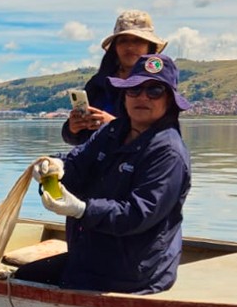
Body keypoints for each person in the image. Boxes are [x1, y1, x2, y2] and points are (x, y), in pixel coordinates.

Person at [25, 53, 191, 293]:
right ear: (124, 96)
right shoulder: (113, 130)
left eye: (154, 91)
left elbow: (138, 214)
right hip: (89, 259)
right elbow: (78, 163)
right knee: (24, 277)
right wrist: (54, 166)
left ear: (169, 101)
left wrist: (82, 210)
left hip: (132, 274)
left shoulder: (168, 152)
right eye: (134, 89)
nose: (142, 97)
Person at [62, 10, 167, 146]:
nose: (129, 47)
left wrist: (113, 125)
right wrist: (73, 128)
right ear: (115, 47)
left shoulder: (157, 86)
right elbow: (74, 138)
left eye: (137, 41)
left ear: (149, 47)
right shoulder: (98, 83)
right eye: (123, 41)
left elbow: (161, 135)